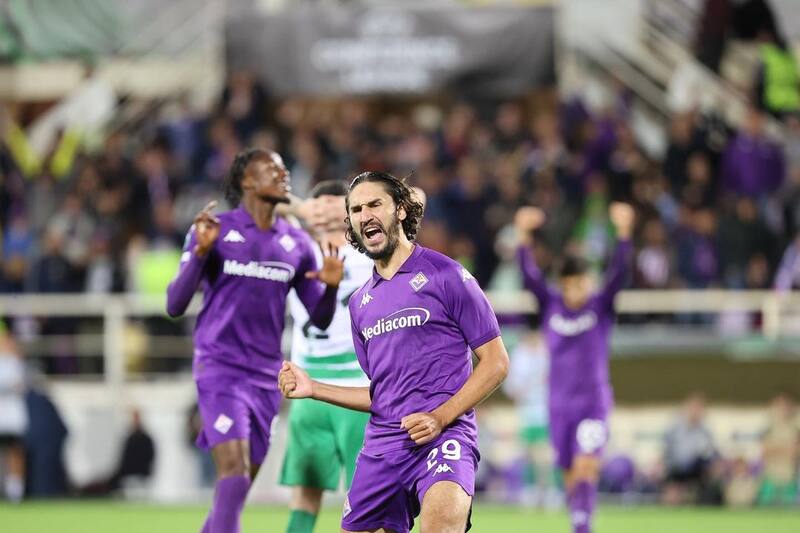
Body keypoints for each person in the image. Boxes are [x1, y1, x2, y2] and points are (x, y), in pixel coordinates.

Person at [279, 171, 510, 533]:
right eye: (356, 210)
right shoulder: (360, 304)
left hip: (444, 437)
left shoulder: (447, 275)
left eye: (375, 204)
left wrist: (440, 417)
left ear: (401, 210)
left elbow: (496, 362)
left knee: (441, 526)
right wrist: (314, 388)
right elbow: (382, 395)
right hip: (383, 447)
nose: (365, 215)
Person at [166, 148, 344, 533]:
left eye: (283, 169)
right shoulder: (214, 230)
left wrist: (330, 288)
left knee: (237, 488)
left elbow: (320, 318)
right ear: (247, 180)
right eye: (272, 170)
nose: (284, 175)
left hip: (266, 377)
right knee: (233, 472)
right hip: (220, 367)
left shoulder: (297, 243)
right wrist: (198, 253)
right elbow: (175, 304)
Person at [514, 202, 634, 533]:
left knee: (585, 467)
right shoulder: (551, 304)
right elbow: (528, 275)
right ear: (563, 284)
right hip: (558, 406)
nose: (578, 290)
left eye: (583, 283)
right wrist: (523, 234)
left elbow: (619, 273)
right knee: (569, 475)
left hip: (592, 404)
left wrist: (624, 233)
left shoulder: (600, 306)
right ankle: (580, 524)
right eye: (572, 284)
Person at [280, 180, 373, 533]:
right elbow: (264, 201)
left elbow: (415, 199)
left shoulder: (371, 249)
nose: (329, 212)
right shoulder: (297, 248)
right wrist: (302, 207)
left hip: (358, 385)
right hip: (307, 384)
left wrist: (353, 206)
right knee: (306, 493)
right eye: (322, 205)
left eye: (338, 205)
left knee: (365, 493)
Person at [502, 330, 560, 508]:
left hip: (548, 410)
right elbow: (511, 385)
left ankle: (552, 490)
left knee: (547, 453)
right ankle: (531, 489)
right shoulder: (520, 355)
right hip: (527, 411)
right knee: (528, 453)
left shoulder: (549, 351)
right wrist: (521, 389)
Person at [662, 393, 720, 505]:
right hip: (676, 469)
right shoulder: (675, 429)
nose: (695, 412)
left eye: (699, 409)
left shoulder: (705, 432)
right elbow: (669, 452)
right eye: (693, 408)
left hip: (698, 471)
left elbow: (710, 453)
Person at [0, 323, 27, 502]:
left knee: (15, 451)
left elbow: (18, 384)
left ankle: (15, 491)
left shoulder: (15, 362)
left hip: (11, 417)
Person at [757, 394, 799, 506]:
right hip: (770, 474)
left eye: (784, 407)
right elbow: (765, 450)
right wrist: (784, 448)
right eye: (778, 406)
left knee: (789, 508)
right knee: (765, 506)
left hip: (788, 475)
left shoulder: (794, 429)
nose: (781, 410)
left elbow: (795, 451)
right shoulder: (769, 428)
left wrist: (776, 448)